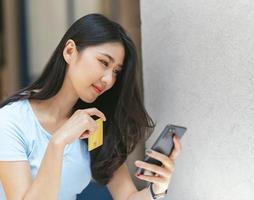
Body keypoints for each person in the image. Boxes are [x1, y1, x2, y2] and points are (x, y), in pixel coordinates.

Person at [0, 14, 182, 200]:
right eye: (103, 62)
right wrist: (58, 143)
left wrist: (157, 189)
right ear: (70, 51)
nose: (109, 80)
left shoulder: (96, 123)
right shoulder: (11, 121)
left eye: (116, 72)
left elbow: (127, 197)